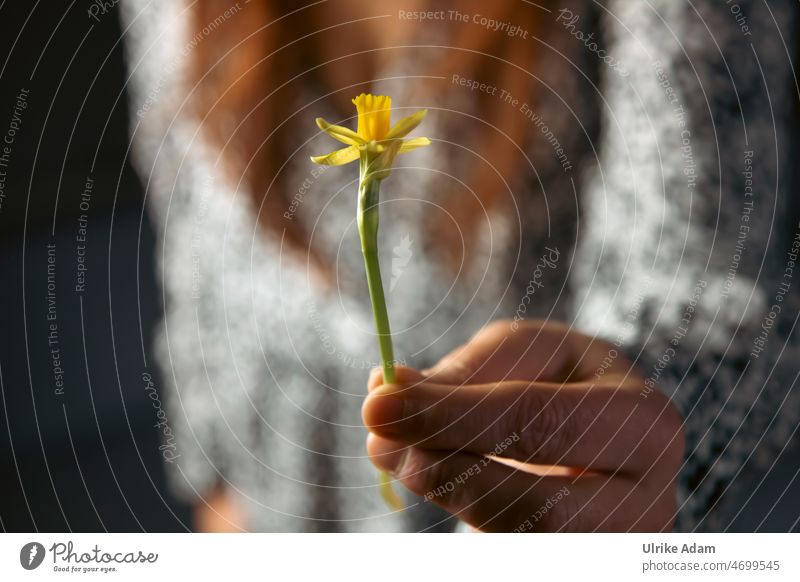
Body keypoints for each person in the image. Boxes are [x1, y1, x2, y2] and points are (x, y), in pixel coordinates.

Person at [122, 0, 800, 532]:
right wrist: (218, 498)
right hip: (272, 509)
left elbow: (714, 282)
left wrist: (624, 436)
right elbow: (189, 248)